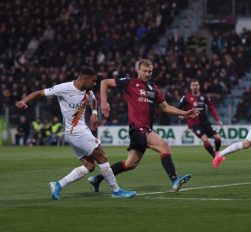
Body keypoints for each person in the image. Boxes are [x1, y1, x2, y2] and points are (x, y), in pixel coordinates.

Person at [15, 67, 136, 200]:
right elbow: (39, 93)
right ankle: (116, 190)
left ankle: (58, 185)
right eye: (93, 81)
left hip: (75, 132)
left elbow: (94, 100)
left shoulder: (87, 91)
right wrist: (23, 101)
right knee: (102, 156)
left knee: (89, 166)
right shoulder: (64, 88)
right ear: (85, 78)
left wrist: (94, 114)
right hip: (77, 132)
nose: (94, 84)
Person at [88, 59, 198, 192]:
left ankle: (97, 179)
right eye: (144, 71)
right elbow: (104, 82)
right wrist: (103, 103)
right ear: (138, 71)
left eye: (150, 71)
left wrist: (185, 113)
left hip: (146, 128)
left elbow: (166, 107)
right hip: (138, 128)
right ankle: (175, 180)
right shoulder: (130, 82)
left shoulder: (154, 88)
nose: (147, 74)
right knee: (163, 146)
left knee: (130, 164)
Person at [177, 79, 223, 158]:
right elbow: (178, 108)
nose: (195, 87)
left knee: (218, 138)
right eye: (193, 85)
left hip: (205, 123)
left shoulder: (204, 97)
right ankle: (214, 156)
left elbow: (212, 108)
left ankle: (217, 152)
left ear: (199, 86)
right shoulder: (186, 97)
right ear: (190, 87)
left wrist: (217, 120)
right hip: (194, 124)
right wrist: (182, 114)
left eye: (196, 85)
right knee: (205, 140)